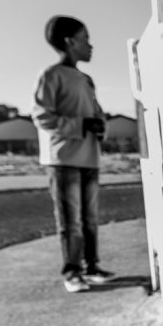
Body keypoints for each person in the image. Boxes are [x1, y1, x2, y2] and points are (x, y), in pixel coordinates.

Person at [31, 15, 114, 293]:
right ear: (70, 42)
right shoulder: (51, 76)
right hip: (64, 160)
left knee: (90, 218)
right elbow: (42, 117)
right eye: (86, 39)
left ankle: (92, 266)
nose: (91, 46)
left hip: (89, 157)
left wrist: (100, 125)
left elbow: (95, 112)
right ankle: (72, 271)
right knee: (71, 221)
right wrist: (79, 125)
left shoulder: (86, 79)